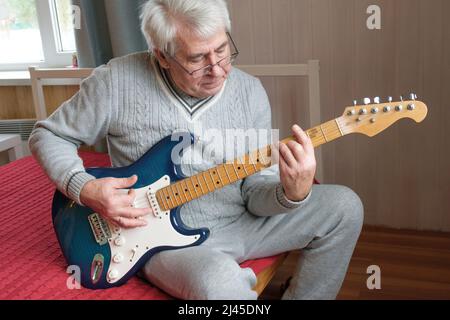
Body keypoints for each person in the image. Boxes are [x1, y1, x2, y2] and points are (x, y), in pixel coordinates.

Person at [29, 0, 363, 300]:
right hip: (160, 239)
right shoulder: (115, 82)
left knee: (345, 206)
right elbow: (48, 135)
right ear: (162, 55)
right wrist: (84, 187)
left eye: (221, 50)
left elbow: (256, 192)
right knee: (220, 284)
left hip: (244, 220)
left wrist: (292, 192)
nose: (217, 70)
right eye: (197, 59)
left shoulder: (250, 92)